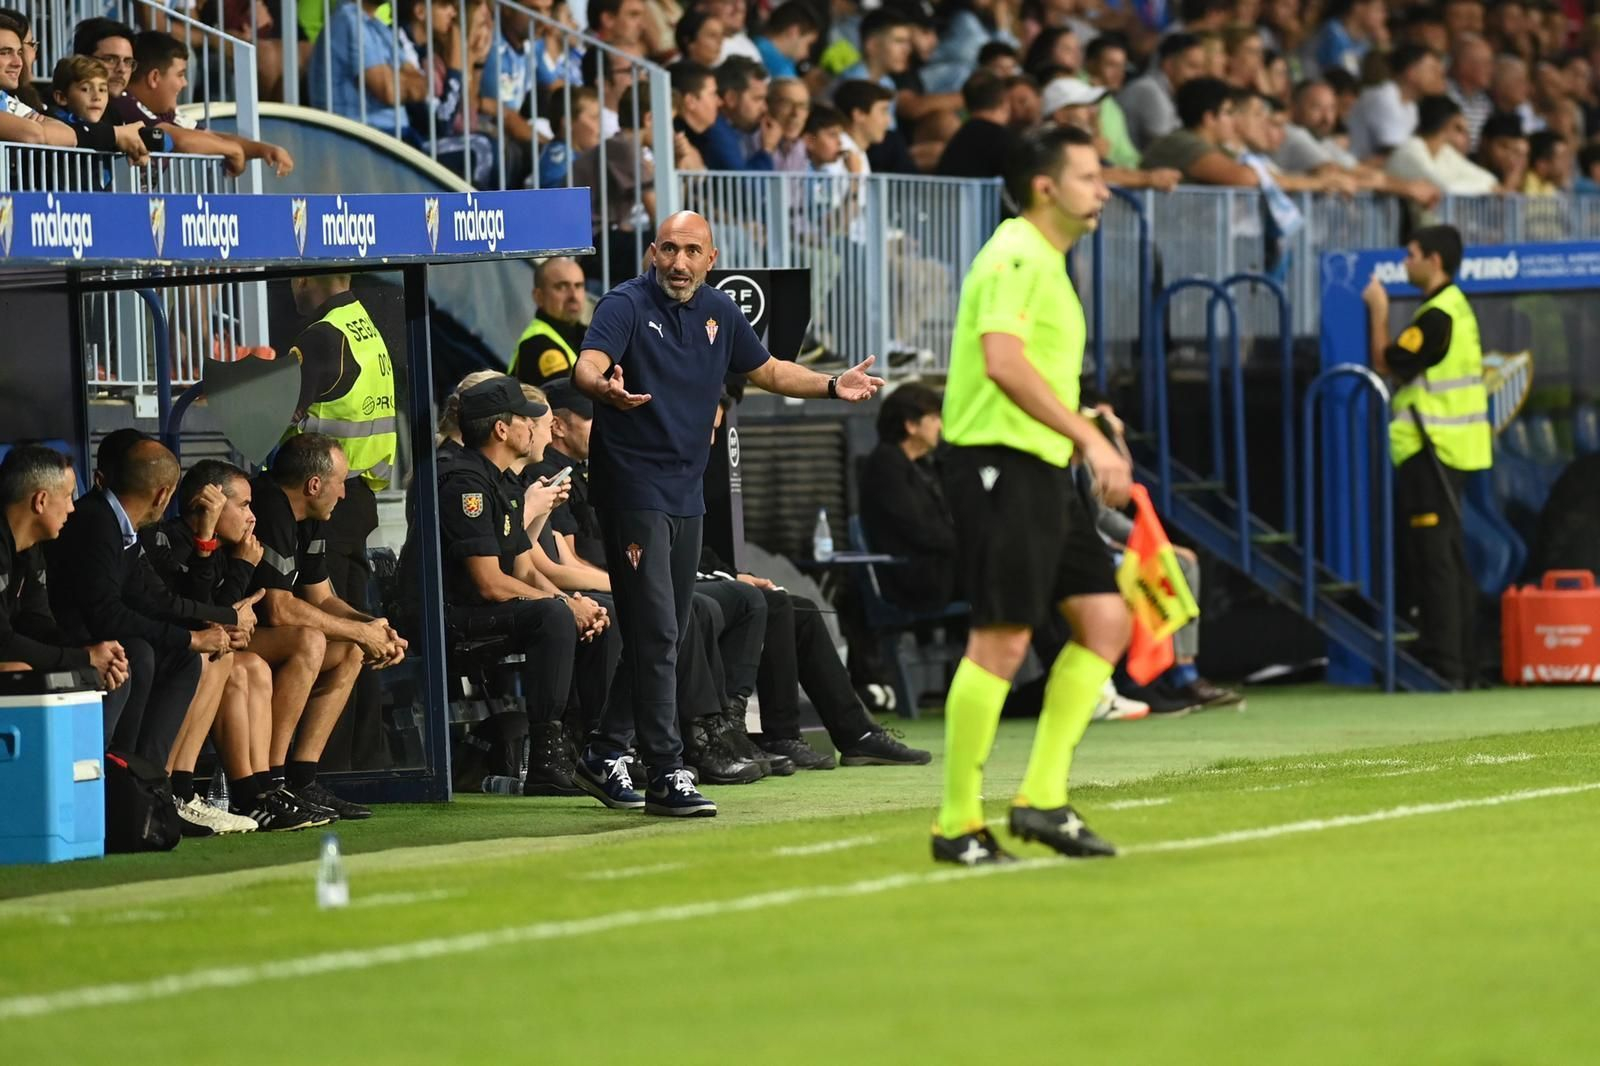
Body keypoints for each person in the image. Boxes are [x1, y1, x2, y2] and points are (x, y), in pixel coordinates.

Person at [569, 209, 884, 818]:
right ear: (652, 253)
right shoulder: (624, 304)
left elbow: (768, 370)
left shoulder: (720, 311)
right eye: (668, 249)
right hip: (633, 488)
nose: (678, 262)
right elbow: (589, 363)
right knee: (659, 630)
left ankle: (604, 752)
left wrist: (830, 383)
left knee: (663, 628)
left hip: (686, 492)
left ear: (711, 260)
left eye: (692, 251)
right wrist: (601, 386)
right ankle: (666, 770)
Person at [932, 124, 1132, 866]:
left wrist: (1082, 427)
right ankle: (957, 824)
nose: (1103, 189)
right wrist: (1089, 437)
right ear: (1046, 187)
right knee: (1003, 639)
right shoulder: (1015, 252)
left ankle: (1042, 801)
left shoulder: (1046, 259)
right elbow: (1003, 362)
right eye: (1088, 176)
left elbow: (1031, 369)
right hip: (997, 463)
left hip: (1040, 467)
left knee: (1106, 621)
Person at [435, 376, 614, 793]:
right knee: (553, 616)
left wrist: (574, 602)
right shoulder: (464, 483)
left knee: (601, 615)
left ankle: (596, 747)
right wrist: (564, 606)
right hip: (451, 615)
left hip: (489, 607)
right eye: (526, 419)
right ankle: (546, 761)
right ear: (502, 429)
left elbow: (526, 571)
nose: (534, 428)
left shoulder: (503, 482)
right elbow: (489, 583)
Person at [143, 460, 328, 831]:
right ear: (208, 503)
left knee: (252, 665)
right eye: (243, 505)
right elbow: (199, 613)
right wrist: (237, 583)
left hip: (198, 647)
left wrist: (236, 621)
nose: (252, 516)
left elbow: (223, 614)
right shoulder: (170, 540)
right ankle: (179, 790)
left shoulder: (230, 549)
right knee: (223, 659)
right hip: (166, 650)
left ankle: (260, 790)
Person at [248, 433, 408, 819]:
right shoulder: (270, 507)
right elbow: (278, 609)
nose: (344, 493)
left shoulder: (311, 516)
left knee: (349, 648)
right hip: (229, 633)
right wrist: (359, 631)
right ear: (314, 484)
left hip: (262, 634)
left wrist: (372, 627)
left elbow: (320, 596)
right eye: (340, 482)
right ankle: (272, 784)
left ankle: (302, 779)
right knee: (310, 641)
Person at [46, 436, 229, 770]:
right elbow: (106, 613)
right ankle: (122, 775)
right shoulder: (96, 521)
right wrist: (191, 637)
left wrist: (222, 619)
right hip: (70, 639)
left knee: (181, 659)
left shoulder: (121, 525)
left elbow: (149, 598)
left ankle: (149, 779)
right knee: (138, 654)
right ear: (163, 495)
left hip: (97, 635)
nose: (71, 507)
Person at [1361, 225, 1490, 689]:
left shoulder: (1438, 315)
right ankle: (1462, 664)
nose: (1405, 262)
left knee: (1437, 560)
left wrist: (1378, 311)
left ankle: (1446, 666)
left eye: (1411, 254)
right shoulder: (1452, 308)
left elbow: (1386, 361)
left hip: (1432, 448)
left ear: (1434, 260)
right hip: (1448, 448)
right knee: (1447, 556)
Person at [283, 273, 399, 773]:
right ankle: (362, 762)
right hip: (356, 497)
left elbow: (280, 415)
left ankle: (331, 769)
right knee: (358, 633)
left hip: (320, 500)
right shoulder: (364, 326)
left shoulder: (321, 336)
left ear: (303, 279)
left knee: (336, 636)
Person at [0, 446, 132, 746]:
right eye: (68, 496)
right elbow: (3, 642)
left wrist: (94, 655)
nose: (72, 508)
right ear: (41, 501)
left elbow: (38, 623)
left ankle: (96, 768)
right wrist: (84, 657)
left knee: (113, 669)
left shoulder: (31, 549)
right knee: (18, 674)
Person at [114, 31, 295, 177]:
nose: (185, 83)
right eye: (180, 75)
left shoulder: (164, 113)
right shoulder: (122, 100)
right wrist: (233, 151)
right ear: (154, 77)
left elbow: (209, 136)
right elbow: (180, 139)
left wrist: (263, 149)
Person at [512, 257, 589, 387]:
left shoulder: (583, 334)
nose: (573, 296)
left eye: (578, 286)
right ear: (539, 296)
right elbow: (568, 397)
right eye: (562, 287)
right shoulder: (537, 344)